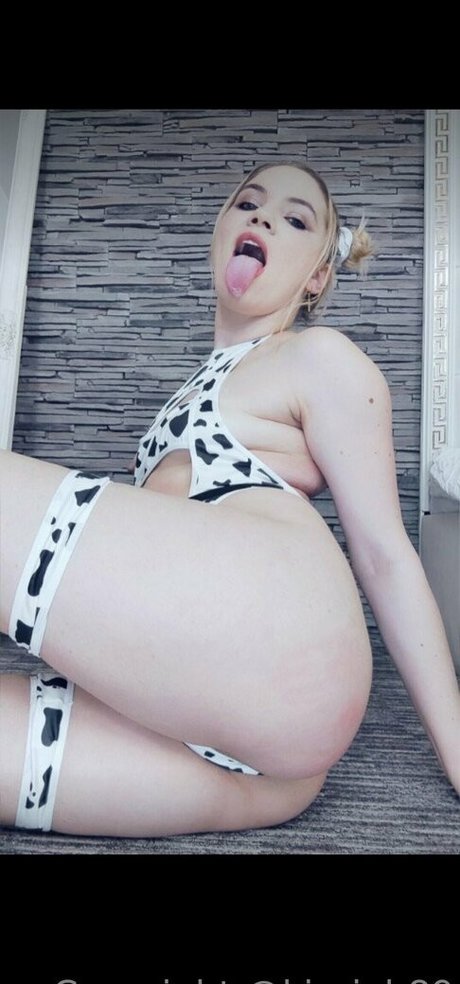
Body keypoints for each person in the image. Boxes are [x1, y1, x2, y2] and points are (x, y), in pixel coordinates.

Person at [0, 161, 458, 839]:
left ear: (318, 276)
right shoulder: (188, 393)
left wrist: (457, 747)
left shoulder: (317, 357)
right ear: (220, 233)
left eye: (295, 219)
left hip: (284, 642)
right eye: (248, 204)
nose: (264, 216)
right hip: (254, 762)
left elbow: (385, 556)